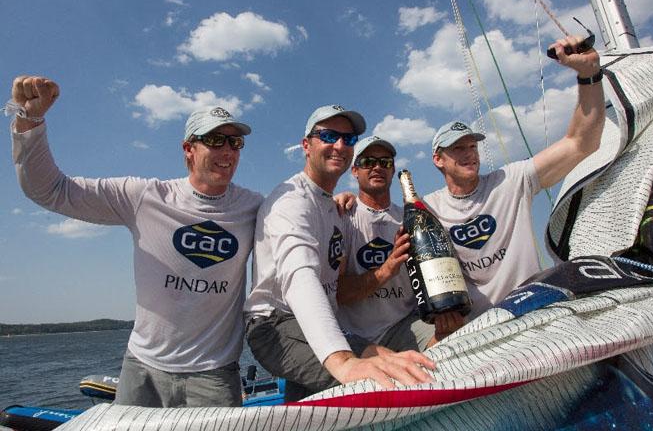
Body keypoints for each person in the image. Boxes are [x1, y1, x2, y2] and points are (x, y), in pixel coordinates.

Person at [10, 75, 263, 407]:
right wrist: (29, 120)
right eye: (215, 140)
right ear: (189, 149)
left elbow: (301, 223)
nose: (227, 151)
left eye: (235, 143)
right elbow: (50, 189)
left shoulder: (255, 208)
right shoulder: (144, 196)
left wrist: (342, 205)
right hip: (142, 371)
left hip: (213, 376)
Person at [244, 105, 435, 402]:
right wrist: (342, 362)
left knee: (381, 359)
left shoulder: (334, 207)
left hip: (319, 322)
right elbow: (299, 277)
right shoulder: (291, 202)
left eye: (348, 138)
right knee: (375, 380)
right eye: (329, 135)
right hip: (277, 324)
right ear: (306, 145)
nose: (339, 145)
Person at [423, 35, 606, 320]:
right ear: (438, 160)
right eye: (458, 148)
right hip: (477, 327)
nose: (469, 153)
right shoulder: (428, 209)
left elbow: (581, 143)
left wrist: (590, 74)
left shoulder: (511, 181)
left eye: (472, 146)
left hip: (536, 312)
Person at [336, 135, 462, 351]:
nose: (377, 167)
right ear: (355, 171)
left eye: (385, 162)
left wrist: (443, 323)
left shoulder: (409, 218)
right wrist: (387, 268)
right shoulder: (342, 216)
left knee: (455, 339)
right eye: (368, 162)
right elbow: (340, 293)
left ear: (393, 171)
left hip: (404, 326)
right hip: (353, 336)